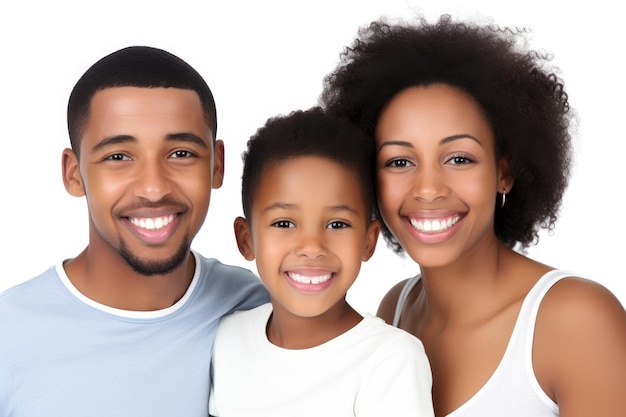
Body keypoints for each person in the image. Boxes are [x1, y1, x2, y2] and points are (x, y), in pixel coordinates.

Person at [321, 15, 626, 417]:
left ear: (504, 171)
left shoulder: (577, 320)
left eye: (459, 158)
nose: (428, 188)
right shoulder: (396, 308)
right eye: (398, 161)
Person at [0, 46, 269, 417]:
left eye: (181, 153)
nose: (154, 188)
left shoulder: (260, 309)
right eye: (118, 157)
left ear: (217, 166)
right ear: (73, 173)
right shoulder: (8, 333)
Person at [208, 107, 434, 417]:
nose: (312, 247)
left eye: (337, 224)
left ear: (368, 242)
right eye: (284, 223)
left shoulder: (389, 360)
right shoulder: (226, 339)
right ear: (246, 240)